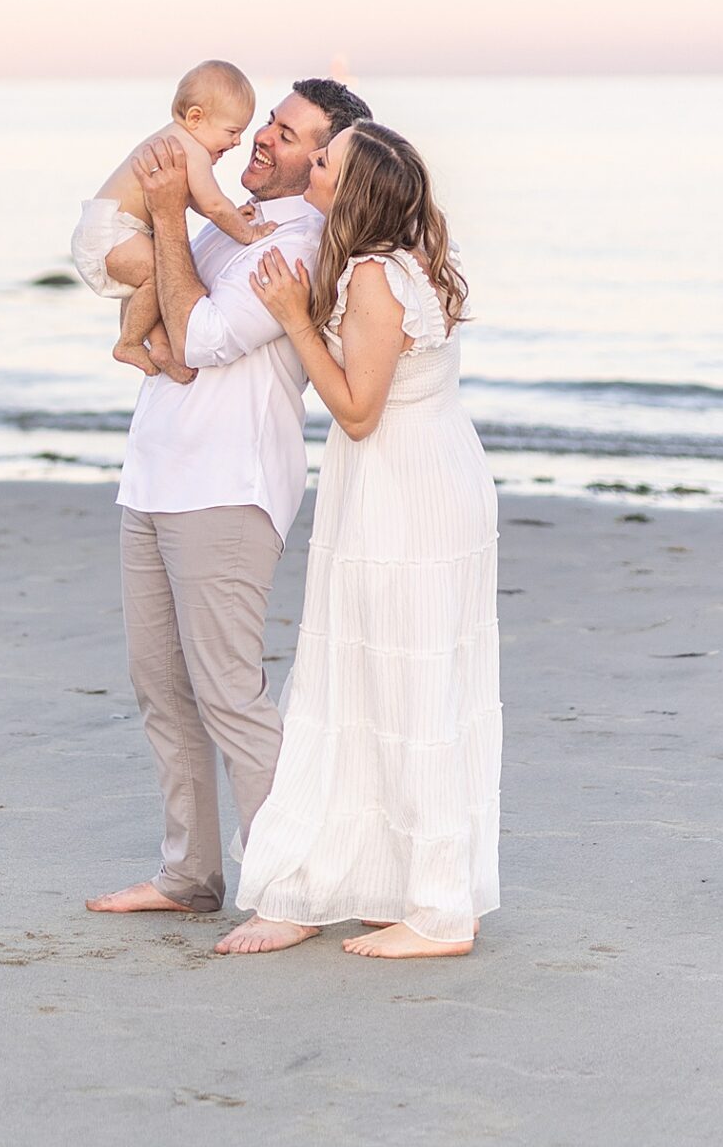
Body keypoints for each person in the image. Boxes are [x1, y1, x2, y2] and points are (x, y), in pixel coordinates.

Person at [85, 77, 375, 920]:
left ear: (323, 161)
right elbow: (140, 291)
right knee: (161, 687)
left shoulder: (305, 241)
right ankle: (188, 875)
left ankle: (291, 884)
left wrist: (173, 214)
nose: (262, 141)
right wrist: (160, 219)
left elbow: (204, 336)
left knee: (228, 695)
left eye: (286, 136)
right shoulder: (228, 226)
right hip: (155, 476)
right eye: (269, 125)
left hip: (227, 487)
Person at [216, 121, 500, 959]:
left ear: (354, 189)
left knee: (401, 685)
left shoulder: (376, 278)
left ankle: (439, 912)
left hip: (402, 491)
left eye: (326, 162)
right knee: (385, 680)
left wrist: (292, 317)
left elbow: (356, 410)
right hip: (420, 477)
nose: (312, 164)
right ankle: (395, 883)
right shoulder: (400, 264)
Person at [70, 60, 268, 380]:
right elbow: (214, 204)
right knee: (158, 273)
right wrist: (247, 233)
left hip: (106, 228)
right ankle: (129, 342)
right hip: (112, 232)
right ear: (196, 118)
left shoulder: (176, 140)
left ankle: (160, 348)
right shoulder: (192, 150)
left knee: (150, 282)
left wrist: (233, 213)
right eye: (232, 132)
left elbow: (198, 199)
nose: (237, 142)